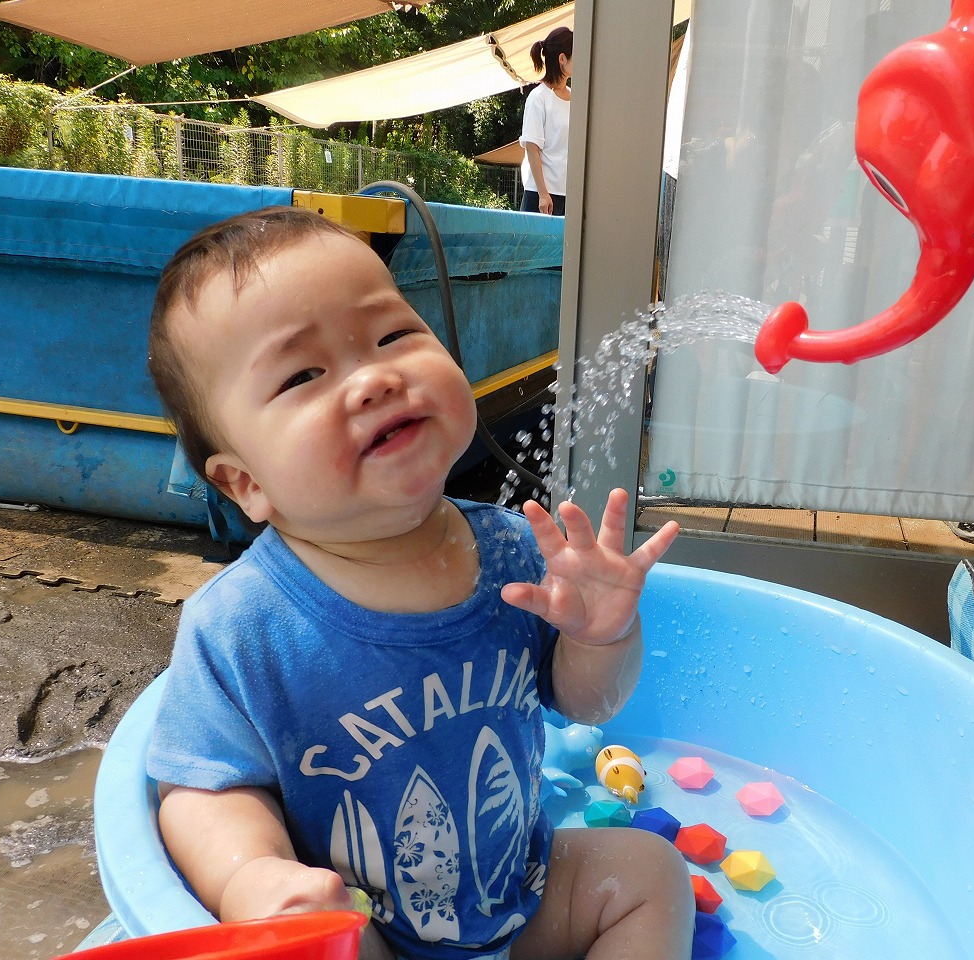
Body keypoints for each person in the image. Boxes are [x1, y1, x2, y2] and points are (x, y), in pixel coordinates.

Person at [143, 206, 694, 960]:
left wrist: (600, 638)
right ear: (247, 484)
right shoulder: (242, 625)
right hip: (363, 928)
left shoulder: (512, 550)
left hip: (521, 890)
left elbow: (584, 705)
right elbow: (202, 788)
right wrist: (253, 878)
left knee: (651, 875)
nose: (375, 378)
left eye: (393, 334)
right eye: (303, 374)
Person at [519, 26, 572, 216]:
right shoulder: (538, 98)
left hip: (569, 194)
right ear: (562, 59)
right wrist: (543, 194)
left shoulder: (576, 98)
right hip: (542, 196)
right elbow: (531, 148)